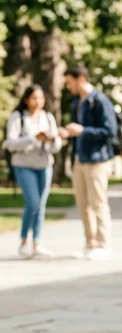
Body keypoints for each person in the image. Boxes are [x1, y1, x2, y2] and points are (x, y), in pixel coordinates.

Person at [60, 64, 119, 261]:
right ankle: (90, 243)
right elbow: (78, 130)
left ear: (81, 79)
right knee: (83, 203)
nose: (68, 87)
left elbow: (110, 131)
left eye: (69, 82)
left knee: (98, 202)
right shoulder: (78, 102)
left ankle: (104, 244)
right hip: (80, 158)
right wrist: (68, 133)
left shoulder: (100, 101)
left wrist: (83, 130)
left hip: (97, 159)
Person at [3, 84, 63, 258]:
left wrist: (52, 139)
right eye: (35, 98)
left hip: (44, 165)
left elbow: (56, 147)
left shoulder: (48, 117)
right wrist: (32, 138)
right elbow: (10, 143)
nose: (38, 102)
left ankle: (36, 242)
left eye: (41, 98)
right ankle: (23, 241)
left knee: (41, 205)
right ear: (26, 100)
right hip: (23, 165)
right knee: (33, 202)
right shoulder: (18, 117)